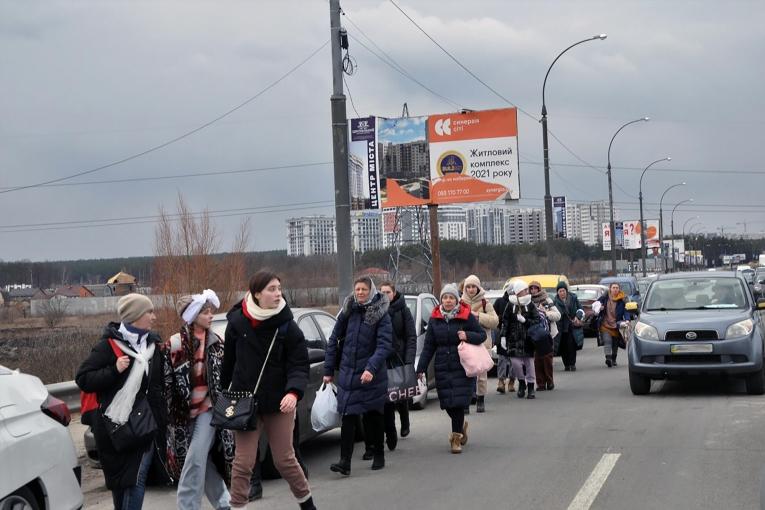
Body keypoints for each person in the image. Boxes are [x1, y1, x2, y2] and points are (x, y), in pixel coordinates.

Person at [221, 271, 315, 510]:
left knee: (284, 460)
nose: (278, 293)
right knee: (243, 462)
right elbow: (228, 363)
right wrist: (223, 395)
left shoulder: (287, 326)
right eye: (272, 289)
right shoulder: (237, 323)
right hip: (245, 402)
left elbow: (299, 363)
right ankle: (237, 507)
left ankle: (307, 504)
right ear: (256, 294)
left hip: (279, 402)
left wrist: (293, 393)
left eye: (279, 288)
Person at [76, 293, 169, 510]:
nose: (154, 317)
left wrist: (161, 420)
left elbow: (157, 387)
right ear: (135, 316)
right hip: (115, 430)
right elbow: (83, 379)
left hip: (144, 427)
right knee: (121, 483)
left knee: (136, 478)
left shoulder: (153, 347)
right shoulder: (108, 346)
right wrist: (113, 370)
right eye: (150, 312)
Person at [164, 290, 231, 510]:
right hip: (182, 415)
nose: (210, 315)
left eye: (211, 311)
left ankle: (187, 506)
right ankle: (224, 504)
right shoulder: (174, 345)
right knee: (201, 461)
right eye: (205, 312)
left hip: (208, 411)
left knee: (194, 460)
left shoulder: (216, 343)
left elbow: (224, 378)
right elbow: (166, 383)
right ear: (192, 316)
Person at [324, 276, 392, 476]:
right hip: (348, 373)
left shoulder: (380, 314)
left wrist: (371, 368)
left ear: (371, 291)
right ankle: (344, 462)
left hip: (371, 374)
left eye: (363, 289)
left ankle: (379, 454)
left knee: (373, 416)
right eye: (357, 289)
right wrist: (328, 371)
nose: (360, 293)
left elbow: (384, 345)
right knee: (348, 417)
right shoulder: (348, 311)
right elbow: (333, 338)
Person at [416, 284, 485, 453]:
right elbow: (428, 346)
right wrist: (421, 368)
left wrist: (467, 335)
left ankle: (456, 440)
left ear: (456, 300)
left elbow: (481, 335)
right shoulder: (435, 318)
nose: (448, 301)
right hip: (442, 366)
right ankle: (461, 427)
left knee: (459, 403)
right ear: (441, 300)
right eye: (445, 298)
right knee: (447, 403)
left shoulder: (465, 316)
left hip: (462, 365)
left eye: (451, 298)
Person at [376, 281, 416, 453]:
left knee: (400, 394)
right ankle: (389, 432)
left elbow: (411, 336)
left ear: (394, 293)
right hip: (383, 360)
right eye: (382, 292)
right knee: (387, 398)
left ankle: (405, 419)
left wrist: (408, 360)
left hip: (399, 358)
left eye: (388, 292)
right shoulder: (375, 311)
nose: (385, 295)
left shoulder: (403, 310)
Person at [460, 275, 499, 413]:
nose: (471, 289)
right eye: (468, 287)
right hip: (465, 343)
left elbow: (495, 321)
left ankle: (480, 399)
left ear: (478, 287)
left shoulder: (485, 303)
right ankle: (467, 399)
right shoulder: (460, 303)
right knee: (465, 372)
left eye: (473, 287)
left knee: (481, 373)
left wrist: (478, 316)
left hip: (482, 342)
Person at [501, 280, 543, 399]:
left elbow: (537, 320)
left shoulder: (530, 304)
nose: (527, 291)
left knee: (529, 364)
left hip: (528, 339)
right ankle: (521, 383)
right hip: (513, 339)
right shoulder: (510, 304)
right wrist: (503, 336)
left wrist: (525, 321)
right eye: (524, 290)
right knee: (515, 363)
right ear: (518, 291)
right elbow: (505, 322)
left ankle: (530, 387)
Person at [529, 281, 561, 391]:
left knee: (547, 359)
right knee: (537, 360)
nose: (533, 290)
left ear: (539, 289)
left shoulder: (546, 300)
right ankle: (540, 383)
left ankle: (550, 381)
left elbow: (558, 315)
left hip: (548, 334)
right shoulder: (528, 301)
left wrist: (545, 313)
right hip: (535, 335)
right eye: (531, 288)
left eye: (535, 288)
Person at [592, 282, 628, 367]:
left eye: (617, 288)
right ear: (610, 289)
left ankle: (614, 359)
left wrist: (627, 320)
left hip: (616, 324)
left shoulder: (622, 299)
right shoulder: (604, 297)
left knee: (615, 342)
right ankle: (608, 358)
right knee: (607, 340)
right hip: (605, 324)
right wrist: (599, 308)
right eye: (613, 288)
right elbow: (595, 305)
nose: (615, 289)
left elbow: (626, 310)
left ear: (619, 289)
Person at [492, 282, 517, 395]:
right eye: (509, 289)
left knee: (513, 359)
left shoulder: (518, 302)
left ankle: (512, 381)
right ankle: (501, 381)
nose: (511, 291)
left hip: (515, 334)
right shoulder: (499, 302)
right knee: (502, 359)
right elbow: (493, 318)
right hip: (502, 333)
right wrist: (500, 319)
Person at [553, 282, 583, 372]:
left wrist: (578, 316)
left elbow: (580, 309)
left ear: (566, 291)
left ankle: (572, 364)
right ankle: (566, 364)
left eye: (563, 290)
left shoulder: (573, 298)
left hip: (572, 326)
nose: (562, 293)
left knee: (572, 346)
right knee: (563, 347)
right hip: (560, 327)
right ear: (557, 292)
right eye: (560, 291)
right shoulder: (555, 302)